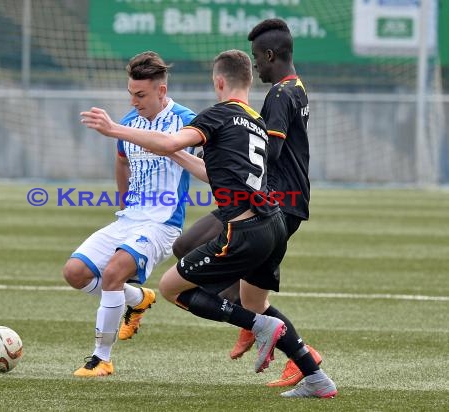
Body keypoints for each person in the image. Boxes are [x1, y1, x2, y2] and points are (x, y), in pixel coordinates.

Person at [82, 49, 337, 398]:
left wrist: (115, 130)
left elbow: (171, 139)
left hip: (244, 229)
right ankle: (317, 377)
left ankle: (260, 328)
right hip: (273, 225)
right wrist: (176, 154)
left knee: (172, 288)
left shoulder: (218, 114)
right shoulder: (257, 122)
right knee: (253, 300)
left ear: (218, 81)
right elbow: (210, 172)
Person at [170, 18, 324, 390]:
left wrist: (226, 141)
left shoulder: (279, 95)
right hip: (286, 203)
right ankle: (305, 361)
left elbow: (270, 151)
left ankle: (253, 326)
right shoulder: (296, 87)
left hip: (273, 204)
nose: (256, 66)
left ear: (271, 55)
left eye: (258, 57)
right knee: (249, 296)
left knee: (189, 250)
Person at [63, 51, 197, 377]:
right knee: (75, 272)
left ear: (161, 91)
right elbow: (122, 161)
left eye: (141, 95)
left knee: (112, 274)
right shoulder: (128, 123)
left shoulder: (188, 121)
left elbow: (202, 160)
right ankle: (137, 298)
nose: (135, 101)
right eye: (131, 94)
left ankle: (101, 358)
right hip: (130, 219)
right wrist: (124, 204)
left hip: (162, 223)